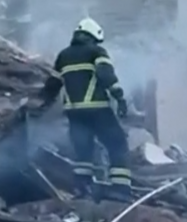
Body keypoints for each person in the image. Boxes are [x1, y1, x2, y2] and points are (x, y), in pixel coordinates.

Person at [34, 18, 132, 200]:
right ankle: (120, 189)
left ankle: (82, 188)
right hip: (98, 109)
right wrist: (119, 97)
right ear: (94, 36)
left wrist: (40, 104)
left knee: (83, 151)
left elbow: (53, 84)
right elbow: (105, 74)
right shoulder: (97, 52)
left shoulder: (63, 56)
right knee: (117, 144)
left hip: (74, 113)